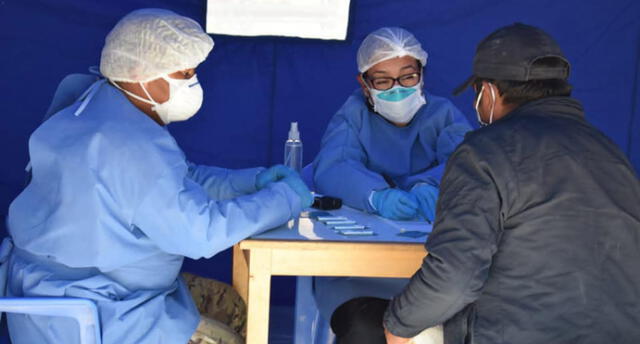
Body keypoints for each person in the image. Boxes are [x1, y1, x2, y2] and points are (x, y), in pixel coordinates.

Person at [4, 9, 312, 344]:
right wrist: (285, 199)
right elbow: (201, 233)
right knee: (231, 333)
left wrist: (250, 182)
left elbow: (178, 179)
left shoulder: (93, 107)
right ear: (140, 72)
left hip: (48, 294)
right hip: (102, 312)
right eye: (184, 74)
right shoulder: (127, 142)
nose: (193, 84)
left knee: (232, 305)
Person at [381, 23, 640, 344]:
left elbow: (455, 278)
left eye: (477, 93)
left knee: (363, 319)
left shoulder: (484, 151)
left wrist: (398, 324)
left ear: (487, 92)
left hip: (518, 333)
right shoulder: (611, 153)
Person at [311, 27, 471, 343]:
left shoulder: (442, 114)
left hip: (436, 272)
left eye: (407, 77)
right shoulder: (352, 116)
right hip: (358, 274)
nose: (397, 89)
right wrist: (376, 196)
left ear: (422, 74)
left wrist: (432, 185)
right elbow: (332, 167)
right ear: (364, 83)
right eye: (382, 81)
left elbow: (468, 161)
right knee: (365, 329)